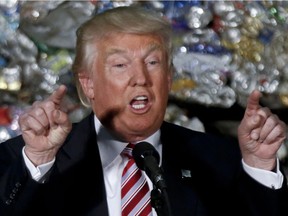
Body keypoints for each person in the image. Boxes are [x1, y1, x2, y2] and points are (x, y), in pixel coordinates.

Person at [0, 5, 287, 216]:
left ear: (169, 78)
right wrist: (39, 160)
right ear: (88, 84)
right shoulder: (24, 160)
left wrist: (260, 168)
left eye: (153, 63)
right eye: (121, 65)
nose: (141, 78)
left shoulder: (221, 159)